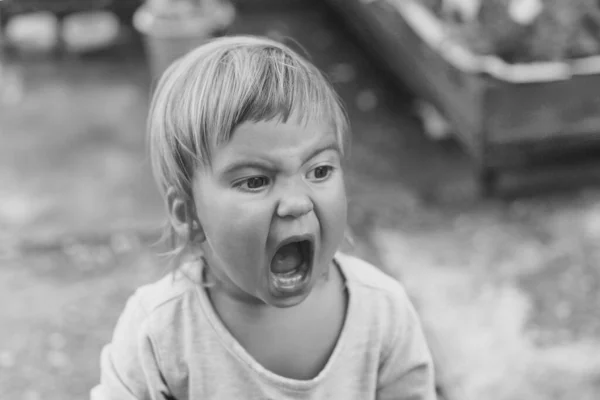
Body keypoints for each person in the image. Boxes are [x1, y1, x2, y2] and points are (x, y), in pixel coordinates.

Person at [91, 35, 436, 400]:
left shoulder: (383, 313)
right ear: (189, 213)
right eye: (256, 180)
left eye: (318, 171)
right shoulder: (160, 333)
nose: (296, 203)